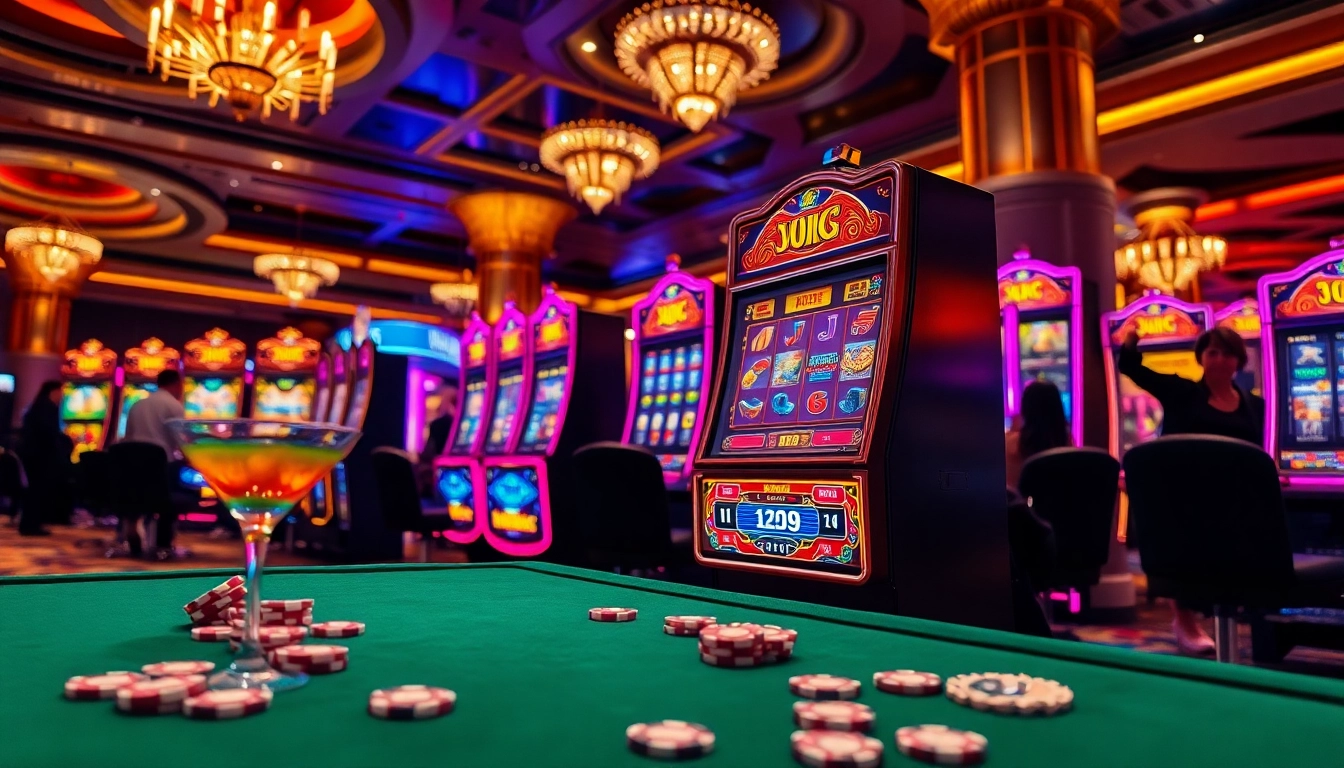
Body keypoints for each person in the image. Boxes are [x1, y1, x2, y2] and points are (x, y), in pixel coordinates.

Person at [1120, 325, 1266, 655]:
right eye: (1212, 352)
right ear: (1201, 357)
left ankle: (1239, 617)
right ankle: (1184, 621)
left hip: (1234, 497)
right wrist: (1130, 339)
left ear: (1239, 360)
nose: (1219, 359)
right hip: (1183, 495)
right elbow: (1130, 367)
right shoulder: (1182, 392)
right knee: (1182, 541)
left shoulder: (1255, 406)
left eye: (1227, 353)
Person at [120, 369, 187, 559]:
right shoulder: (173, 405)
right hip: (162, 467)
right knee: (167, 499)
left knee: (137, 499)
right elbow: (181, 441)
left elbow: (128, 438)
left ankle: (132, 533)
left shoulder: (137, 405)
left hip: (132, 468)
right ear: (176, 384)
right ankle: (163, 544)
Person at [15, 381, 69, 536]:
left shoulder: (37, 407)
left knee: (33, 492)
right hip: (40, 457)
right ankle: (32, 526)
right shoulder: (47, 408)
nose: (62, 396)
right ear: (52, 392)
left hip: (33, 455)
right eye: (60, 392)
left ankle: (29, 524)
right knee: (37, 491)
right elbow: (48, 434)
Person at [1004, 380, 1072, 490]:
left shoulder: (1008, 444)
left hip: (1021, 502)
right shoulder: (1067, 445)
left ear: (1025, 409)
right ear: (1058, 409)